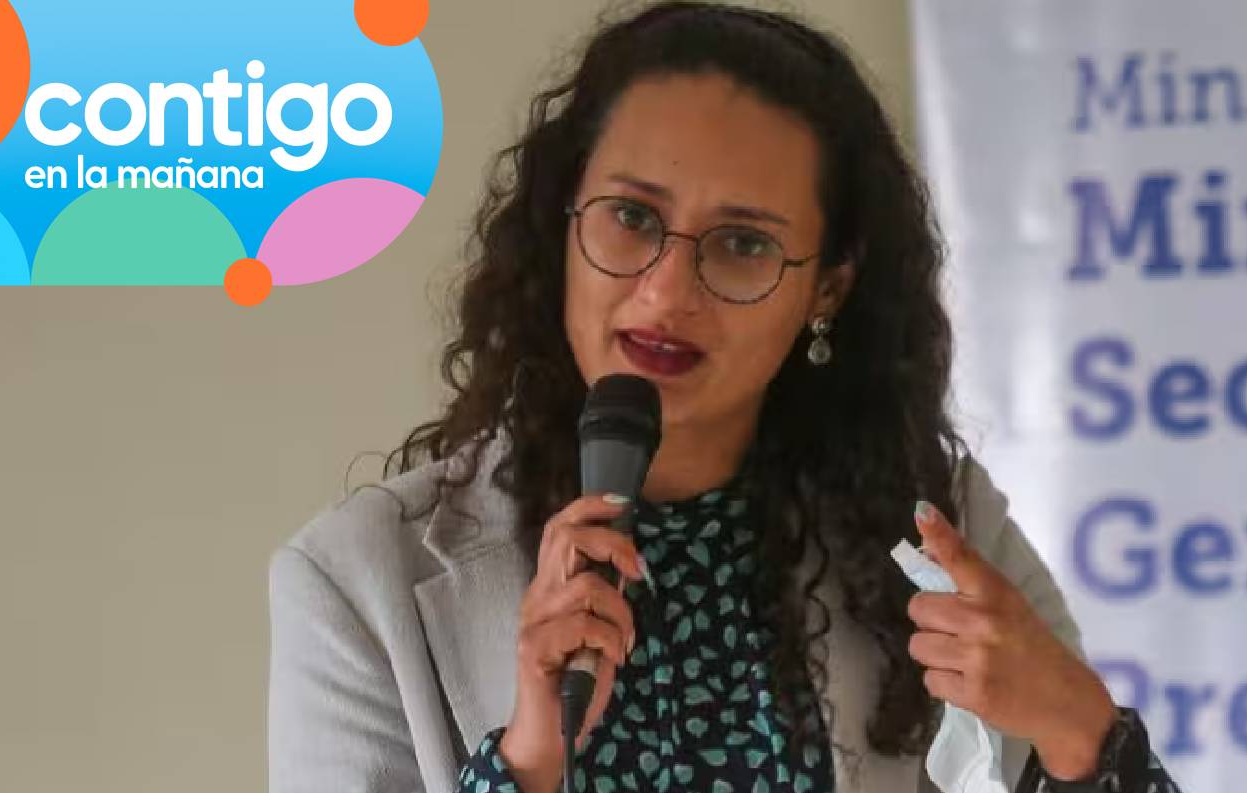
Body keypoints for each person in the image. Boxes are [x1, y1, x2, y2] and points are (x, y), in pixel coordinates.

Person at [267, 3, 1185, 792]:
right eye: (633, 218)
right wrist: (527, 764)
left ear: (827, 288)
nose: (668, 290)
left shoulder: (944, 528)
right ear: (562, 225)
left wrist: (1080, 729)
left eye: (743, 243)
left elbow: (1076, 739)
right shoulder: (357, 580)